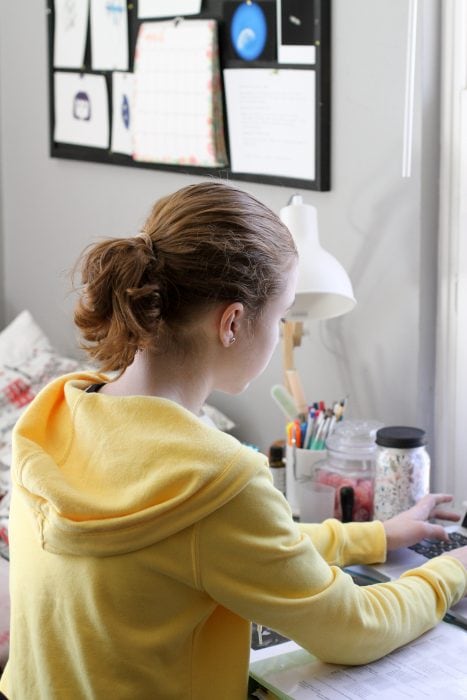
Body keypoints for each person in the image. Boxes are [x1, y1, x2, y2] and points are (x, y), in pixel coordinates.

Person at [1, 181, 466, 700]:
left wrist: (376, 536)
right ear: (233, 322)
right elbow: (353, 629)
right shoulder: (216, 478)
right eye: (282, 315)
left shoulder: (53, 416)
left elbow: (235, 544)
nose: (281, 333)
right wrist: (450, 572)